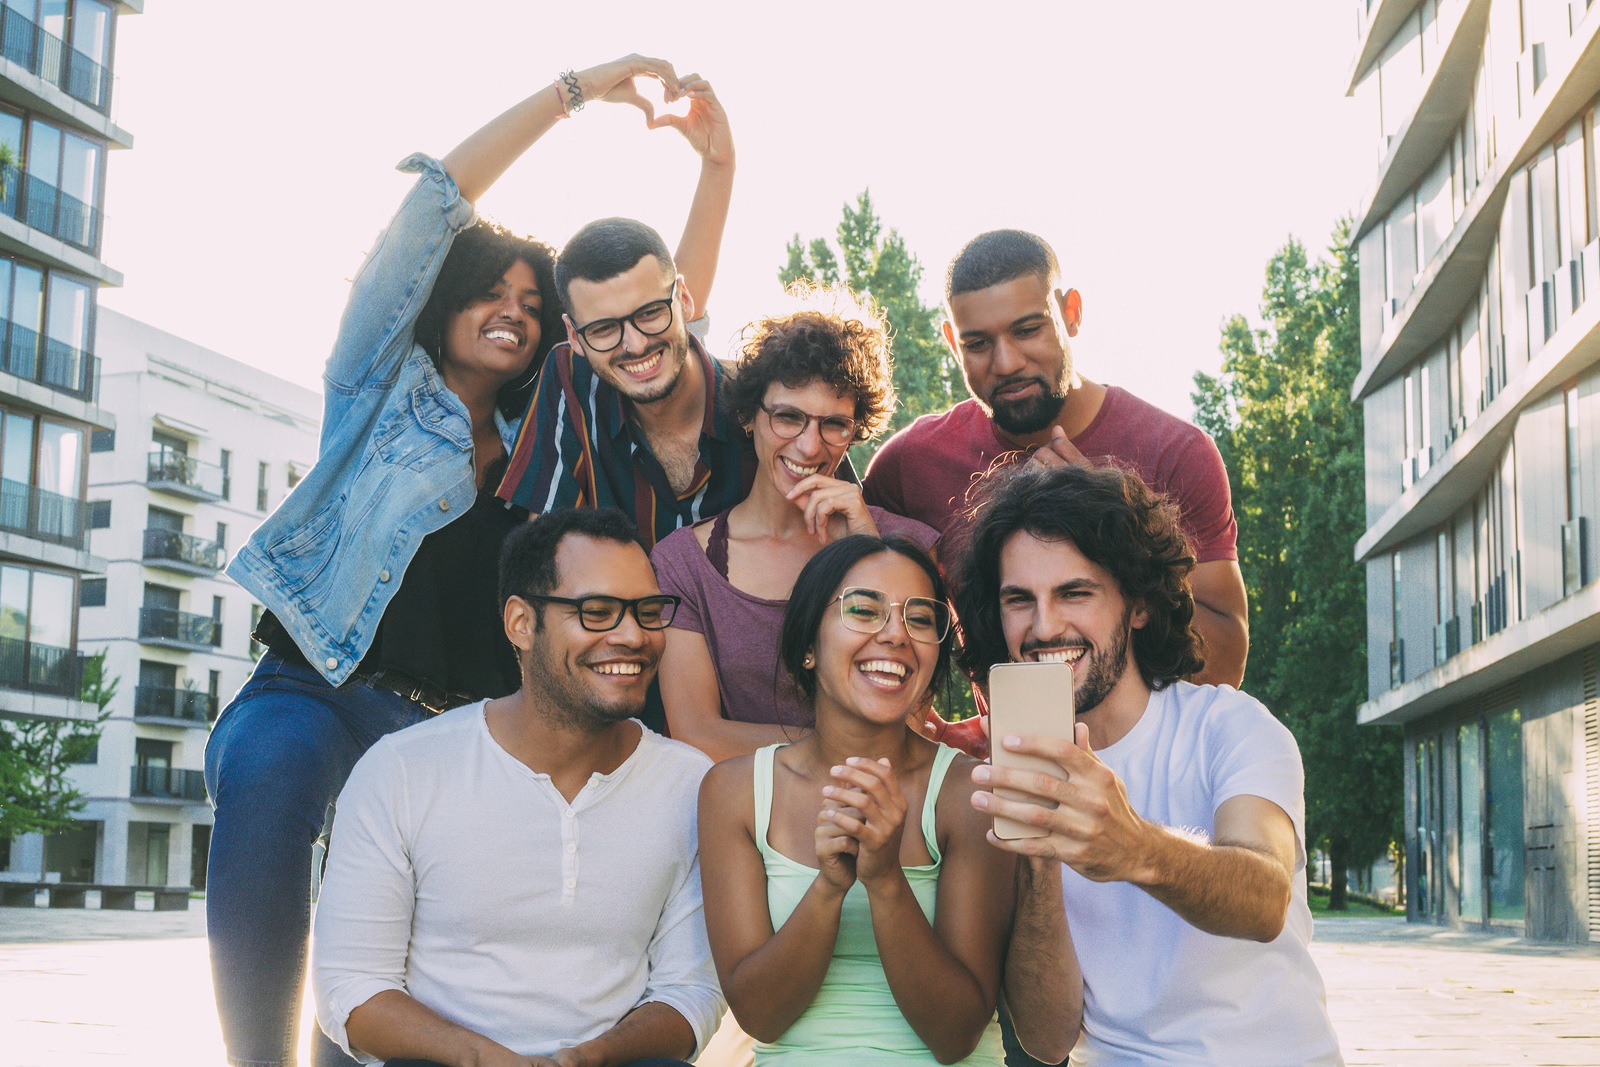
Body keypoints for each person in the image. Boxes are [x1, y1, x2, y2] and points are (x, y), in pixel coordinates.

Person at [208, 57, 733, 1067]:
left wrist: (716, 169)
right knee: (269, 773)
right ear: (443, 301)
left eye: (535, 304)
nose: (516, 310)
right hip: (319, 684)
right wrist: (575, 93)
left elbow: (671, 322)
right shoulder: (375, 384)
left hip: (453, 727)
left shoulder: (557, 434)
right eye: (490, 291)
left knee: (400, 963)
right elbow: (434, 206)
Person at [955, 464, 1341, 1066]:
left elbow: (1266, 898)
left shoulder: (1230, 726)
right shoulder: (1004, 777)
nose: (1044, 626)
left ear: (1137, 604)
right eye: (1019, 601)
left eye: (1074, 593)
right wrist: (1037, 857)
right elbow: (1048, 1038)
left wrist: (1133, 847)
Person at [313, 508, 723, 1067]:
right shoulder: (403, 771)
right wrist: (489, 1061)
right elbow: (352, 988)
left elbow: (691, 991)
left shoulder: (691, 783)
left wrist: (591, 1058)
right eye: (597, 612)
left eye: (648, 612)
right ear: (521, 624)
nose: (634, 636)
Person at [698, 534, 1078, 1066]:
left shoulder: (970, 791)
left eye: (920, 619)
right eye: (864, 610)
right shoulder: (734, 792)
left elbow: (955, 1035)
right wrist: (830, 885)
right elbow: (760, 1015)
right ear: (808, 644)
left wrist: (884, 879)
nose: (897, 634)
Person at [862, 229, 1248, 691]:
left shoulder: (1176, 452)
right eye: (978, 344)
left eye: (1028, 329)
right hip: (1007, 756)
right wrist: (921, 737)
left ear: (1071, 313)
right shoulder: (909, 466)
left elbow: (1224, 663)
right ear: (951, 341)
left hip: (1154, 761)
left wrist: (1111, 525)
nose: (1006, 362)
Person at [652, 289, 937, 761]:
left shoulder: (905, 545)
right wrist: (840, 743)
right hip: (746, 816)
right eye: (788, 417)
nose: (809, 447)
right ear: (748, 416)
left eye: (834, 424)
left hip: (879, 810)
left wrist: (867, 551)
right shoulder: (684, 563)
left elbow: (904, 720)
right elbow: (697, 734)